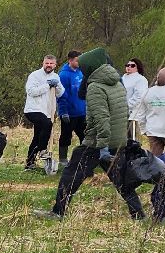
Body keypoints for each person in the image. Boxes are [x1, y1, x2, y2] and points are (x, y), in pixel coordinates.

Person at [44, 47, 141, 220]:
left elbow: (101, 118)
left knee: (70, 174)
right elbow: (122, 111)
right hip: (117, 140)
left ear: (91, 68)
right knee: (120, 180)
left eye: (84, 68)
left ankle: (58, 211)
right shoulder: (117, 82)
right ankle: (138, 214)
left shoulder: (96, 87)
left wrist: (102, 147)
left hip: (98, 142)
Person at [22, 54, 61, 173]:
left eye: (51, 63)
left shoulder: (56, 76)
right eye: (46, 63)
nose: (48, 65)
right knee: (47, 124)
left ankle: (30, 163)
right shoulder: (34, 75)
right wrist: (47, 85)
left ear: (55, 65)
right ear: (43, 63)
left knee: (37, 137)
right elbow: (31, 91)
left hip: (46, 111)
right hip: (32, 109)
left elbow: (59, 93)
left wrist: (57, 85)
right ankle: (43, 150)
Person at [55, 50, 86, 173]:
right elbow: (61, 95)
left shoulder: (81, 72)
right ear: (70, 60)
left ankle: (85, 158)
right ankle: (63, 159)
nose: (79, 62)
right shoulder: (63, 75)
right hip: (69, 112)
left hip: (81, 111)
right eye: (77, 60)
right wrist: (63, 111)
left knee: (84, 135)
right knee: (66, 136)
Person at [121, 58, 148, 141]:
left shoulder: (140, 79)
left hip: (133, 115)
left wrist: (127, 106)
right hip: (121, 114)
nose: (129, 67)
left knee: (132, 139)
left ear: (137, 67)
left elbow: (139, 96)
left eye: (132, 65)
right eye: (127, 65)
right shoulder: (122, 78)